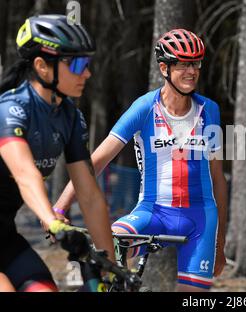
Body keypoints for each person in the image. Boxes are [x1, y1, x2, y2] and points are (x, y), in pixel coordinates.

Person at [55, 29, 228, 292]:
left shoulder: (210, 110)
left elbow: (218, 179)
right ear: (164, 68)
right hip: (153, 211)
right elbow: (96, 162)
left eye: (196, 63)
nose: (191, 71)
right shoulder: (145, 108)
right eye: (183, 64)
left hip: (201, 219)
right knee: (110, 245)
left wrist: (220, 244)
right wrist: (60, 207)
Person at [0, 15, 115, 292]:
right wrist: (51, 219)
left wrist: (110, 266)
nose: (86, 73)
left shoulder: (70, 118)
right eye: (77, 64)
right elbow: (25, 175)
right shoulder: (10, 110)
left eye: (87, 64)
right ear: (42, 66)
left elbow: (89, 196)